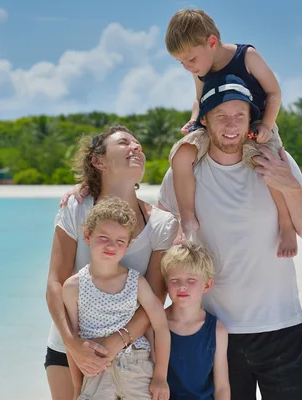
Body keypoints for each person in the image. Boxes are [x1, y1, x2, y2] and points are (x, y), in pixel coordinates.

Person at [156, 74, 302, 399]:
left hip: (282, 326)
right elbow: (154, 235)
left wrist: (289, 184)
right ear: (204, 119)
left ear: (251, 118)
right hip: (216, 334)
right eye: (221, 116)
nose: (231, 124)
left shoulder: (275, 161)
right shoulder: (185, 172)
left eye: (239, 115)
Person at [45, 126, 179, 400]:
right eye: (124, 143)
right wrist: (74, 345)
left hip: (134, 357)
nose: (136, 148)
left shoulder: (162, 224)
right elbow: (55, 284)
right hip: (68, 349)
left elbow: (155, 296)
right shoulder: (75, 208)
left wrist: (115, 344)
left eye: (138, 144)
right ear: (98, 161)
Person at [164, 8, 298, 258]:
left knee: (269, 163)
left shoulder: (247, 56)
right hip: (214, 125)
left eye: (190, 59)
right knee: (181, 153)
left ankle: (287, 225)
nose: (187, 67)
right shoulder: (199, 69)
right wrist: (194, 121)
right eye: (181, 62)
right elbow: (198, 99)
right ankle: (188, 217)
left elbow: (274, 92)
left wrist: (267, 125)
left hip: (257, 123)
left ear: (211, 42)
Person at [62, 196, 171, 400]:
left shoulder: (136, 282)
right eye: (103, 237)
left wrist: (160, 377)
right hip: (95, 373)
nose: (111, 245)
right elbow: (73, 343)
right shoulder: (73, 286)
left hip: (136, 367)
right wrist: (77, 388)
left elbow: (161, 327)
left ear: (128, 245)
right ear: (87, 235)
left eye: (120, 241)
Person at [161, 242, 230, 400]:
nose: (182, 286)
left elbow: (222, 387)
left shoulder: (217, 330)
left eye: (191, 280)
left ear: (207, 284)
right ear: (166, 285)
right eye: (175, 280)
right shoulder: (156, 325)